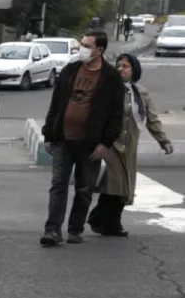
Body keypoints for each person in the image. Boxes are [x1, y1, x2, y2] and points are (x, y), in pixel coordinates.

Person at [40, 29, 123, 246]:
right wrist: (49, 134)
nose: (82, 49)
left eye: (87, 46)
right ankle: (52, 230)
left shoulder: (111, 77)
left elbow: (116, 114)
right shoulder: (70, 70)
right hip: (63, 139)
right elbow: (56, 104)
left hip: (91, 144)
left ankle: (75, 229)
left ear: (100, 50)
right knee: (58, 185)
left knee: (84, 188)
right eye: (82, 44)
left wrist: (106, 143)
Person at [89, 52, 173, 237]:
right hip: (110, 145)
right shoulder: (109, 90)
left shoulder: (141, 92)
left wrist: (163, 140)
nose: (121, 70)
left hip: (129, 147)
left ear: (134, 69)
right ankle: (105, 221)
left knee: (125, 188)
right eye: (118, 66)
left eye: (125, 66)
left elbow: (151, 119)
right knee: (114, 185)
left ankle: (105, 222)